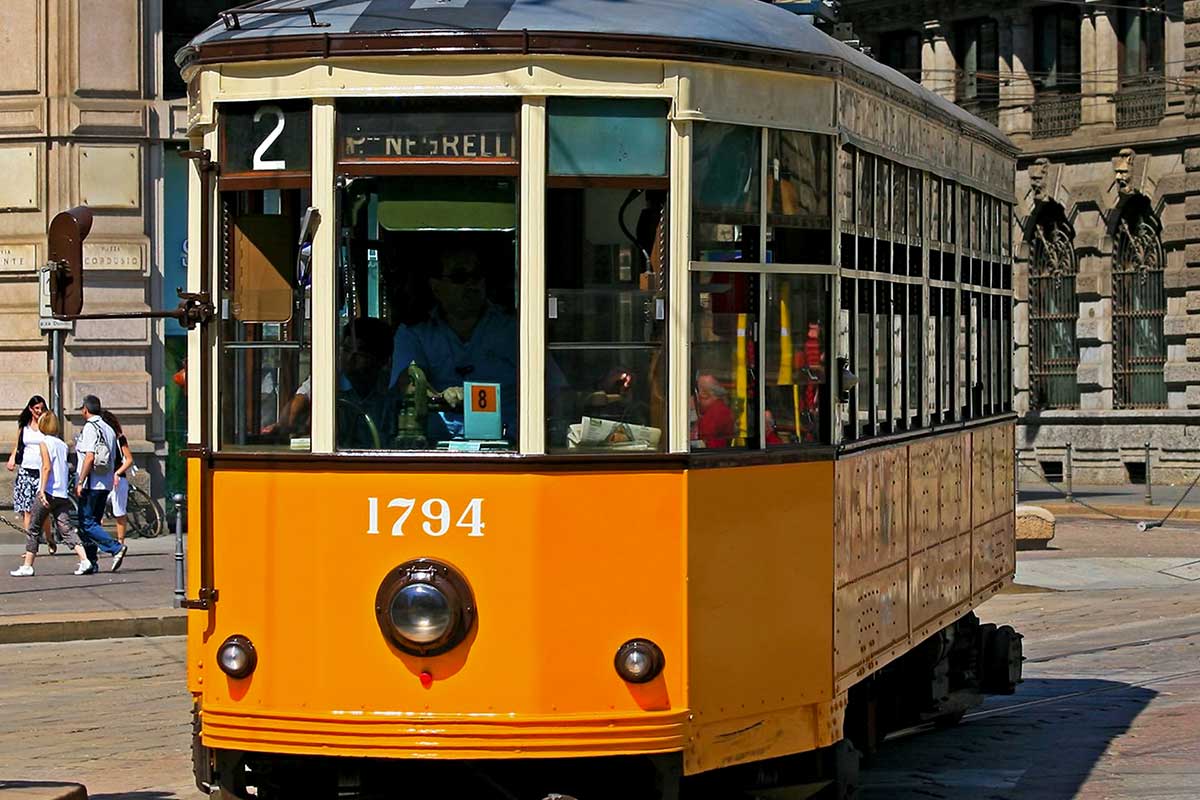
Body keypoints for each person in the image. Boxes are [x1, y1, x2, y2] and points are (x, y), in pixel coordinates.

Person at [390, 248, 518, 443]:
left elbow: (552, 387)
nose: (471, 284)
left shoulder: (515, 329)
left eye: (476, 276)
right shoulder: (414, 333)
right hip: (437, 449)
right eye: (460, 277)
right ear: (436, 287)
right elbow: (408, 385)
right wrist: (440, 397)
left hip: (511, 447)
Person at [9, 412, 91, 577]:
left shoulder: (44, 443)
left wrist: (42, 490)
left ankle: (27, 565)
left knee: (33, 528)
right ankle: (84, 560)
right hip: (61, 493)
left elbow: (46, 467)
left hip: (49, 491)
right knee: (65, 528)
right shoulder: (62, 445)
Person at [74, 395, 126, 573]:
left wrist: (80, 481)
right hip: (105, 483)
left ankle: (115, 547)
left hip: (91, 483)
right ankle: (92, 562)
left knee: (86, 523)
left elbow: (89, 457)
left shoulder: (90, 428)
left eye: (82, 409)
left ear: (85, 410)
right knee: (92, 523)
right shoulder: (109, 428)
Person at [6, 395, 53, 552]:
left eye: (41, 408)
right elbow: (19, 444)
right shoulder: (24, 425)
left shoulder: (46, 423)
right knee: (27, 510)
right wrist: (12, 457)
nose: (39, 412)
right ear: (30, 409)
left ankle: (49, 536)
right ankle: (30, 547)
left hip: (42, 472)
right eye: (36, 409)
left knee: (43, 510)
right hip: (26, 470)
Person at [100, 410, 135, 545]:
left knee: (119, 512)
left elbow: (129, 459)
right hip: (102, 479)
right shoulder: (100, 439)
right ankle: (100, 542)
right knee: (98, 513)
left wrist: (117, 473)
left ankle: (120, 542)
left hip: (118, 479)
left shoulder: (119, 438)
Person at [694, 374, 735, 449]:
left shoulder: (716, 413)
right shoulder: (720, 409)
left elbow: (706, 443)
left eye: (698, 392)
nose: (697, 400)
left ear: (705, 394)